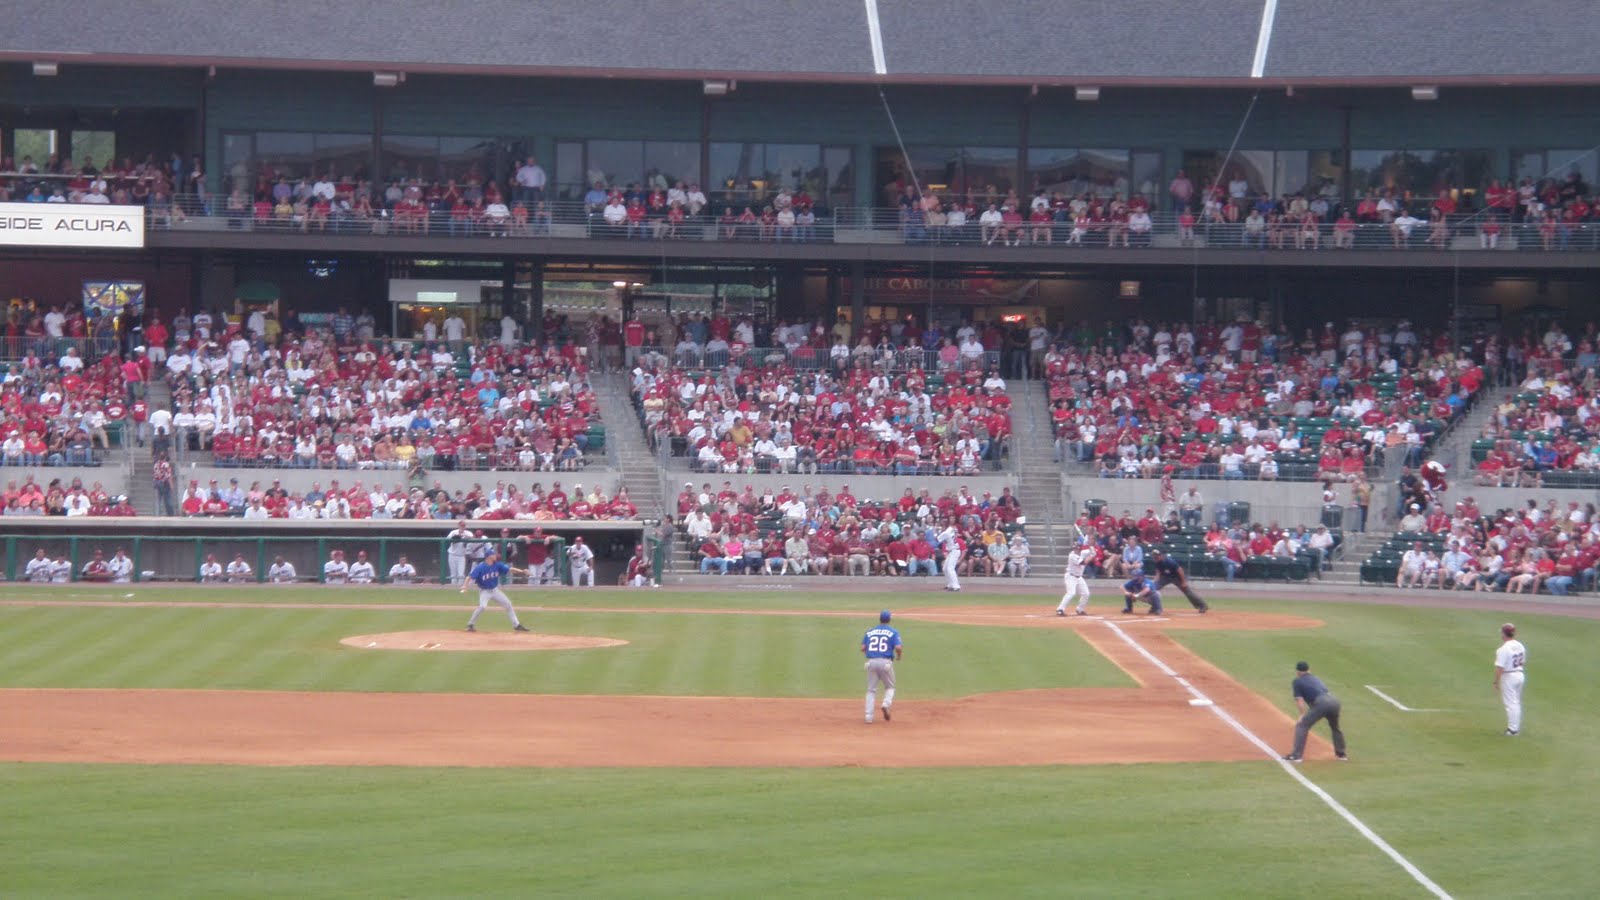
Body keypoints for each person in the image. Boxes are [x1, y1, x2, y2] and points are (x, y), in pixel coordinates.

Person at [1283, 660, 1348, 762]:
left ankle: (1296, 756)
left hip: (1322, 703)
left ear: (1297, 672)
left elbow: (1299, 699)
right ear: (1309, 670)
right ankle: (1341, 754)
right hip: (1334, 701)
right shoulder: (1315, 678)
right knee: (1335, 727)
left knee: (1302, 725)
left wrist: (1302, 714)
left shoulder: (1297, 681)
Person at [461, 549, 530, 632]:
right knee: (482, 606)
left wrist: (522, 571)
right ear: (488, 557)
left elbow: (510, 569)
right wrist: (465, 586)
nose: (495, 556)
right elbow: (469, 577)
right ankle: (470, 624)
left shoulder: (497, 565)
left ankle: (516, 625)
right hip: (484, 591)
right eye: (493, 555)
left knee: (508, 604)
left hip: (494, 590)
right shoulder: (480, 567)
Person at [861, 610, 903, 724]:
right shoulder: (893, 632)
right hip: (885, 663)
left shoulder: (870, 631)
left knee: (871, 690)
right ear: (889, 619)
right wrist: (899, 656)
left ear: (879, 619)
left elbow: (863, 648)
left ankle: (868, 717)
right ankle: (886, 704)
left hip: (871, 662)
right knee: (890, 687)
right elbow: (898, 647)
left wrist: (870, 656)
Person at [1494, 623, 1526, 736]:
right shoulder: (1520, 645)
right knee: (1516, 702)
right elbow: (1523, 662)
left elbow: (1499, 667)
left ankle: (1513, 730)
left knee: (1511, 703)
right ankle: (1515, 727)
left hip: (1509, 676)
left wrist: (1496, 682)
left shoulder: (1503, 649)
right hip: (1520, 674)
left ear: (1503, 634)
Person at [1056, 538, 1093, 616]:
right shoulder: (1072, 556)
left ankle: (1080, 609)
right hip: (1070, 577)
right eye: (1074, 548)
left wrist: (1091, 548)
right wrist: (1091, 555)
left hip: (1079, 577)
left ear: (1080, 549)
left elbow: (1093, 553)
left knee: (1086, 593)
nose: (1075, 550)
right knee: (1071, 593)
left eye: (1077, 548)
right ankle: (1060, 609)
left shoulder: (1082, 552)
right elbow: (1083, 563)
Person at [445, 520, 475, 585]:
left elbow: (472, 538)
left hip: (461, 556)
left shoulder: (468, 533)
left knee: (461, 574)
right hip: (452, 554)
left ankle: (459, 587)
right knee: (453, 574)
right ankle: (453, 588)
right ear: (458, 526)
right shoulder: (453, 532)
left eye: (463, 525)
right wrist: (457, 537)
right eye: (461, 525)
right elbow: (447, 539)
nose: (462, 527)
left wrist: (465, 537)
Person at [936, 522, 962, 592]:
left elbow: (937, 539)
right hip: (952, 551)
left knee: (950, 568)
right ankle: (950, 584)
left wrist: (936, 531)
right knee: (945, 568)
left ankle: (956, 586)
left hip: (954, 551)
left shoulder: (946, 533)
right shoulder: (950, 529)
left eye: (943, 526)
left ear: (946, 527)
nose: (942, 528)